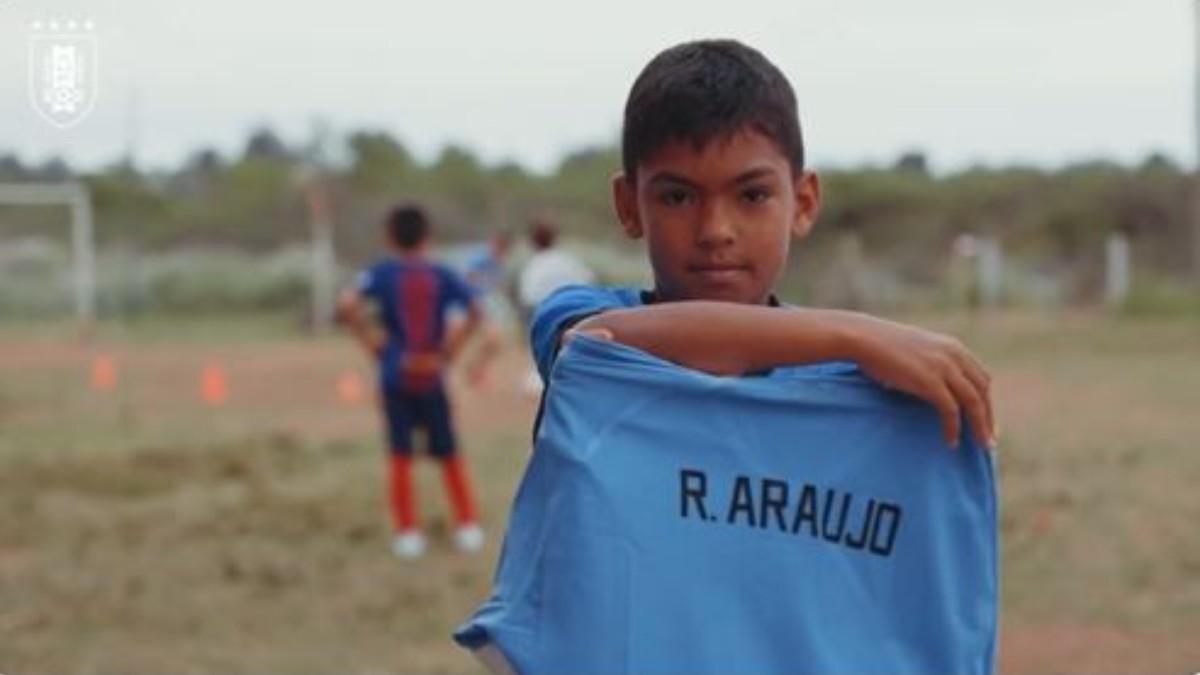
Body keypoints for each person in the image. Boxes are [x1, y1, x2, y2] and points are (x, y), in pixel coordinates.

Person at [533, 38, 996, 453]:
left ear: (804, 203)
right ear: (628, 205)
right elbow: (596, 344)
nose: (715, 230)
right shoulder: (575, 311)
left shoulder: (853, 382)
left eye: (752, 195)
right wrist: (855, 335)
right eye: (677, 196)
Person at [337, 203, 486, 559]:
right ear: (427, 236)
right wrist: (450, 350)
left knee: (400, 454)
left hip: (395, 374)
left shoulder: (380, 273)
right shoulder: (443, 274)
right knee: (448, 452)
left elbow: (347, 305)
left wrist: (371, 342)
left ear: (390, 237)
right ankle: (467, 526)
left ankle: (408, 534)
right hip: (432, 374)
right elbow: (477, 311)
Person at [517, 219, 595, 394]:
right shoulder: (567, 259)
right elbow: (588, 281)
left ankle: (537, 377)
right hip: (576, 309)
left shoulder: (534, 265)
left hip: (544, 312)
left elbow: (528, 296)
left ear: (533, 241)